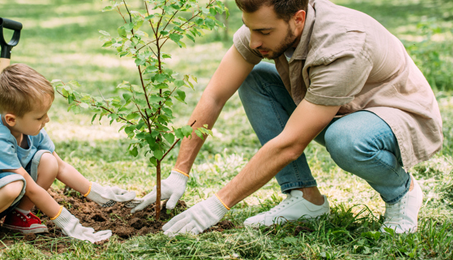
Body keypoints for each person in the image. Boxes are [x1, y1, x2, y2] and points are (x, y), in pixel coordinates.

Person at [131, 0, 443, 236]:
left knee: (346, 139)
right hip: (339, 106)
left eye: (264, 32)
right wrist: (179, 172)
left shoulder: (344, 46)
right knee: (255, 77)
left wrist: (218, 204)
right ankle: (304, 198)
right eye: (250, 28)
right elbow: (214, 95)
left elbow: (290, 144)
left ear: (298, 19)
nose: (253, 41)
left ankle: (402, 193)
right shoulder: (265, 25)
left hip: (395, 113)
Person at [0, 64, 136, 252]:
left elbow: (61, 167)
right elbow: (30, 188)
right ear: (11, 119)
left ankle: (18, 217)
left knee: (48, 161)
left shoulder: (29, 129)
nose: (46, 120)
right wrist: (69, 224)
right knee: (16, 183)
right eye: (40, 117)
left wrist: (98, 194)